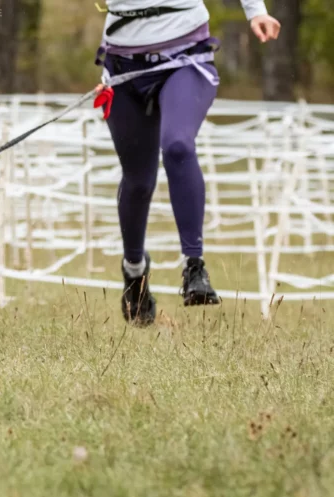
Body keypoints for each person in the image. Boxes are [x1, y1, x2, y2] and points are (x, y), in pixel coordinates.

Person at [93, 0, 281, 326]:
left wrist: (256, 11)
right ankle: (134, 272)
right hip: (123, 64)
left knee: (178, 146)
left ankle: (195, 267)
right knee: (138, 179)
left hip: (185, 56)